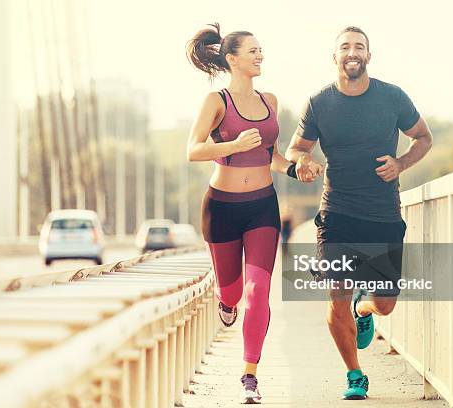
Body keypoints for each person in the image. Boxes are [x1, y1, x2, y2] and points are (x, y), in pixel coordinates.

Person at [285, 26, 433, 400]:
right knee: (337, 294)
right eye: (345, 47)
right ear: (334, 56)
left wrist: (400, 163)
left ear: (369, 55)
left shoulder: (392, 97)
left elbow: (424, 137)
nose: (353, 52)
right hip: (336, 213)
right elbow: (295, 149)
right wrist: (304, 161)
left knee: (384, 304)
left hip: (383, 213)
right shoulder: (319, 103)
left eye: (359, 47)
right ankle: (354, 373)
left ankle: (364, 308)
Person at [186, 23, 300, 404]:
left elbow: (272, 156)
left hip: (262, 208)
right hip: (221, 207)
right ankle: (225, 300)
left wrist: (297, 169)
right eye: (252, 51)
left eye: (260, 50)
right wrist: (232, 144)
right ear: (232, 59)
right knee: (233, 292)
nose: (259, 55)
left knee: (259, 290)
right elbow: (193, 150)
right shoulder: (216, 102)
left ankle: (250, 374)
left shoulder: (271, 101)